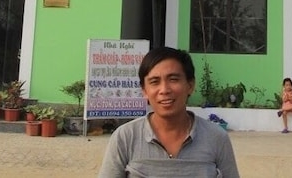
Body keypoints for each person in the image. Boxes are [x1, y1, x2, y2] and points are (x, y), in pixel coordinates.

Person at [98, 46, 240, 178]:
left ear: (190, 85)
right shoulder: (125, 137)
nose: (164, 90)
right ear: (144, 91)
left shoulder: (216, 138)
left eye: (173, 79)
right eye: (155, 82)